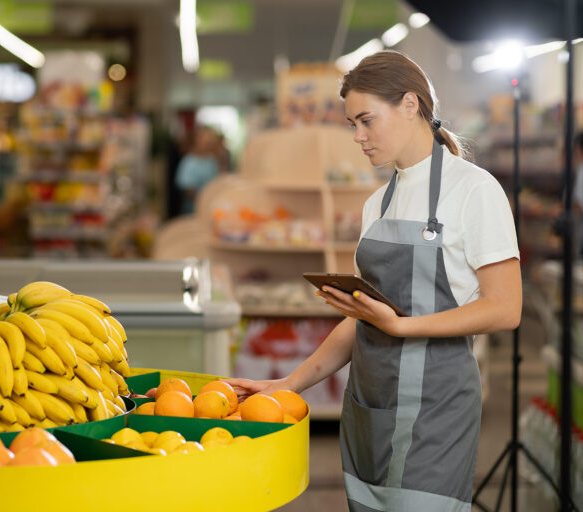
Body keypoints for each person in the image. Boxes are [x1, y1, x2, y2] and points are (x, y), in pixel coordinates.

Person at [225, 50, 522, 512]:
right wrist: (289, 383)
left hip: (436, 413)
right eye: (352, 125)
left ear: (409, 104)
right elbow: (362, 321)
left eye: (367, 120)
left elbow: (505, 307)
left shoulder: (474, 190)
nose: (359, 138)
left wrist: (401, 326)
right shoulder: (376, 204)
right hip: (370, 407)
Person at [175, 126, 222, 214]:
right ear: (196, 141)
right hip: (193, 209)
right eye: (203, 139)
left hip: (210, 208)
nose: (206, 143)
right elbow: (187, 189)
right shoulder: (188, 162)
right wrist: (205, 197)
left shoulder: (212, 160)